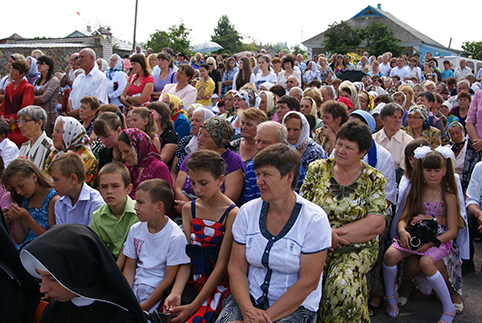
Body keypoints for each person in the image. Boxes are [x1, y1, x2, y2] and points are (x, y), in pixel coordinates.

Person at [216, 144, 331, 323]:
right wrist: (247, 309)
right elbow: (236, 267)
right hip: (249, 299)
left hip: (294, 306)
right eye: (258, 174)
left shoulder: (314, 219)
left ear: (289, 177)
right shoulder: (247, 212)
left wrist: (264, 319)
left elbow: (309, 281)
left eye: (266, 175)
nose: (259, 181)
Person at [300, 120, 387, 322]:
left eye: (349, 147)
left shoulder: (373, 179)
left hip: (356, 247)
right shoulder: (317, 169)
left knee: (341, 286)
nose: (340, 150)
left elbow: (376, 223)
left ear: (362, 152)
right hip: (315, 243)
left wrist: (334, 236)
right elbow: (302, 208)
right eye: (339, 144)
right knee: (305, 286)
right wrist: (325, 235)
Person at [383, 147, 463, 323]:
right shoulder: (416, 190)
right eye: (428, 170)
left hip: (438, 239)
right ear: (422, 170)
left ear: (444, 171)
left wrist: (432, 243)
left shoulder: (449, 195)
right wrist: (403, 231)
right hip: (416, 234)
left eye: (436, 170)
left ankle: (448, 308)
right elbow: (403, 218)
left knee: (426, 261)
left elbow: (452, 230)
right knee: (390, 255)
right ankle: (390, 298)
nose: (432, 175)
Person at [163, 150, 238, 322]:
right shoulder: (190, 209)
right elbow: (188, 257)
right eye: (193, 182)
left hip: (217, 284)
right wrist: (176, 291)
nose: (197, 189)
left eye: (203, 183)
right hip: (191, 278)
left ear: (220, 179)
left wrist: (193, 307)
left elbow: (221, 265)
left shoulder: (232, 213)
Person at [20, 223, 147, 322]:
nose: (42, 289)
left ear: (79, 271)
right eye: (40, 277)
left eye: (52, 278)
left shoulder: (120, 317)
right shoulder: (53, 310)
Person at [123, 179, 190, 311]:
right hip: (133, 290)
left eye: (140, 203)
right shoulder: (135, 229)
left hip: (156, 297)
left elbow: (168, 278)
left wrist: (144, 307)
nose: (135, 207)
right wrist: (127, 296)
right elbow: (130, 267)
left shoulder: (175, 236)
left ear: (159, 207)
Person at [174, 117, 245, 212]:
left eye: (206, 136)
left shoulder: (233, 160)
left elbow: (229, 198)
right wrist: (189, 207)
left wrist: (193, 209)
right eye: (199, 133)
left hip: (216, 215)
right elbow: (178, 188)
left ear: (219, 140)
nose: (199, 138)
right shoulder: (192, 157)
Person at [2, 158, 57, 249]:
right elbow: (21, 238)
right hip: (26, 248)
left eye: (21, 186)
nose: (18, 192)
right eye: (15, 189)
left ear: (34, 177)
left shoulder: (53, 200)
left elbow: (51, 238)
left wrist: (28, 218)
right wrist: (18, 219)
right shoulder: (25, 200)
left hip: (43, 250)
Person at [90, 162, 137, 263]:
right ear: (99, 190)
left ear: (128, 189)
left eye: (115, 186)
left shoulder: (140, 212)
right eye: (104, 187)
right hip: (109, 263)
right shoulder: (97, 217)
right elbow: (96, 251)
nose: (109, 191)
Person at [48, 152, 104, 226]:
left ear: (73, 179)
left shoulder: (95, 203)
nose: (53, 185)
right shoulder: (60, 203)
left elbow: (92, 236)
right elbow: (61, 234)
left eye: (56, 180)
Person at [117, 128, 172, 200]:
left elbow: (165, 200)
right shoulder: (127, 168)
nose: (123, 157)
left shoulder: (158, 168)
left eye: (126, 151)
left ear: (138, 148)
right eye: (121, 152)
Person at [45, 116, 98, 187]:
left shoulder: (87, 158)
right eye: (54, 131)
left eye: (58, 132)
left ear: (69, 134)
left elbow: (77, 187)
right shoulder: (55, 153)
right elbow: (45, 178)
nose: (53, 135)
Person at [171, 107, 214, 177]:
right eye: (192, 120)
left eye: (197, 120)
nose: (192, 123)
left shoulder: (211, 145)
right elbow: (173, 172)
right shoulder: (185, 141)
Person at [1, 59, 34, 147]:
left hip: (19, 126)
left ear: (22, 73)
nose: (11, 72)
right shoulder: (8, 87)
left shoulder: (27, 87)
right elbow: (3, 105)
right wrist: (2, 117)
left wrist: (14, 118)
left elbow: (25, 107)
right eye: (11, 69)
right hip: (7, 125)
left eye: (14, 70)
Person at [67, 48, 108, 119]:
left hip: (91, 119)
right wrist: (71, 111)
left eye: (82, 57)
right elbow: (71, 97)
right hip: (76, 117)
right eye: (79, 57)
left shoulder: (100, 77)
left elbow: (97, 102)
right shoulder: (78, 77)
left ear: (91, 58)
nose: (79, 60)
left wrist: (78, 112)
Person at [373, 102, 414, 171]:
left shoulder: (408, 142)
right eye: (394, 117)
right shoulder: (373, 139)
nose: (397, 121)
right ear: (383, 120)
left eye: (400, 118)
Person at [17, 105, 53, 170]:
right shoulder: (24, 147)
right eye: (18, 121)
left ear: (39, 124)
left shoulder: (49, 148)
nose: (20, 126)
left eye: (24, 121)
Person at [32, 55, 60, 136]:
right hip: (37, 115)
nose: (38, 65)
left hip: (49, 117)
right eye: (37, 63)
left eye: (41, 63)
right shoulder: (37, 81)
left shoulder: (54, 80)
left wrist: (33, 98)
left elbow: (44, 98)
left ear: (48, 66)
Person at [147, 102, 179, 169]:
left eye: (151, 111)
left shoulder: (171, 135)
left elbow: (162, 160)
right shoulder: (147, 133)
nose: (147, 115)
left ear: (161, 114)